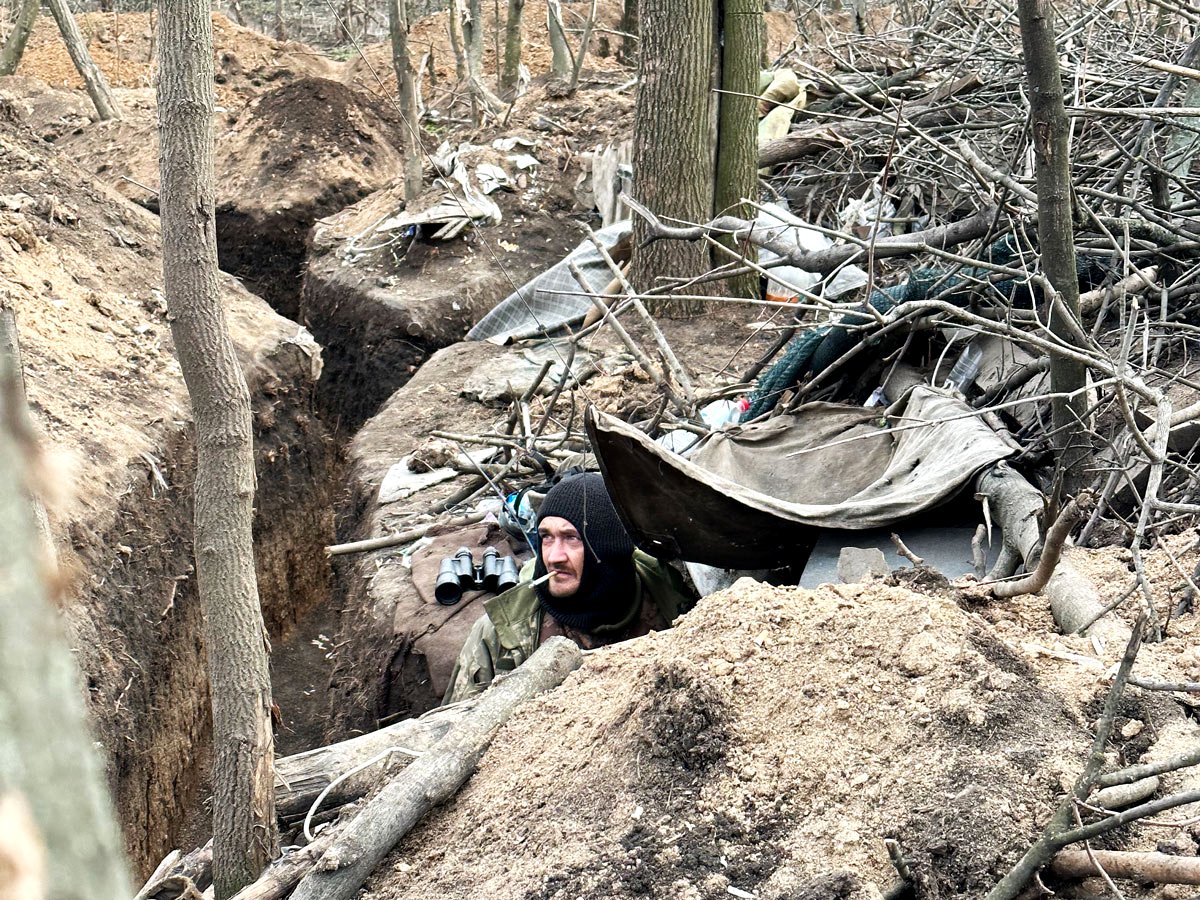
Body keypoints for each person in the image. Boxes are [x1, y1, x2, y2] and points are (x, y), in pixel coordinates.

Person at [443, 472, 696, 703]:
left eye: (571, 538)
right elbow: (455, 731)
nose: (553, 556)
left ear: (606, 545)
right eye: (546, 537)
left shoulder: (676, 602)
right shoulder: (500, 634)